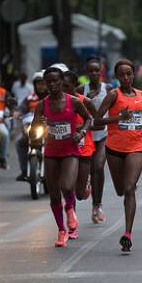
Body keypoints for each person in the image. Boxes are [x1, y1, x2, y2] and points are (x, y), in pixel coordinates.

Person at [29, 67, 92, 247]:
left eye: (56, 81)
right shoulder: (42, 105)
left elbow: (88, 119)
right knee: (54, 195)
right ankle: (61, 230)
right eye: (49, 82)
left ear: (62, 82)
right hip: (51, 152)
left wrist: (81, 133)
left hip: (70, 150)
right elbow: (32, 136)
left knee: (66, 186)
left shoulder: (73, 102)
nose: (52, 84)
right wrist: (36, 126)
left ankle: (70, 208)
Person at [94, 59, 142, 252]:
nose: (126, 77)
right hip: (115, 148)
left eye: (129, 74)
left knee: (129, 188)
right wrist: (118, 118)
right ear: (117, 77)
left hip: (137, 146)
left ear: (134, 75)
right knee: (120, 190)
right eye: (122, 74)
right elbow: (97, 120)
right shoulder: (112, 95)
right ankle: (127, 185)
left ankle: (127, 233)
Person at [76, 56, 113, 223]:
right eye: (91, 70)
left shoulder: (108, 88)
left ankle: (97, 206)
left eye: (97, 70)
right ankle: (88, 189)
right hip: (87, 136)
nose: (94, 73)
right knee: (89, 170)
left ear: (101, 71)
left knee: (98, 166)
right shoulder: (80, 90)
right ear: (86, 72)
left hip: (103, 135)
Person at [63, 70, 96, 208]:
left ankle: (86, 182)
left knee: (80, 194)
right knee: (68, 187)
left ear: (75, 85)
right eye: (61, 85)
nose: (63, 89)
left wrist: (82, 130)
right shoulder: (57, 102)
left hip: (84, 147)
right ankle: (72, 221)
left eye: (66, 86)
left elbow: (94, 119)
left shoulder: (85, 101)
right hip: (66, 149)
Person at [15, 70, 48, 181]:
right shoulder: (29, 98)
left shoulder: (52, 97)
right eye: (39, 83)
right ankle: (24, 171)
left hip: (49, 129)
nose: (41, 86)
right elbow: (21, 109)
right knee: (19, 142)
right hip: (32, 129)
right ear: (34, 85)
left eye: (44, 83)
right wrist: (17, 113)